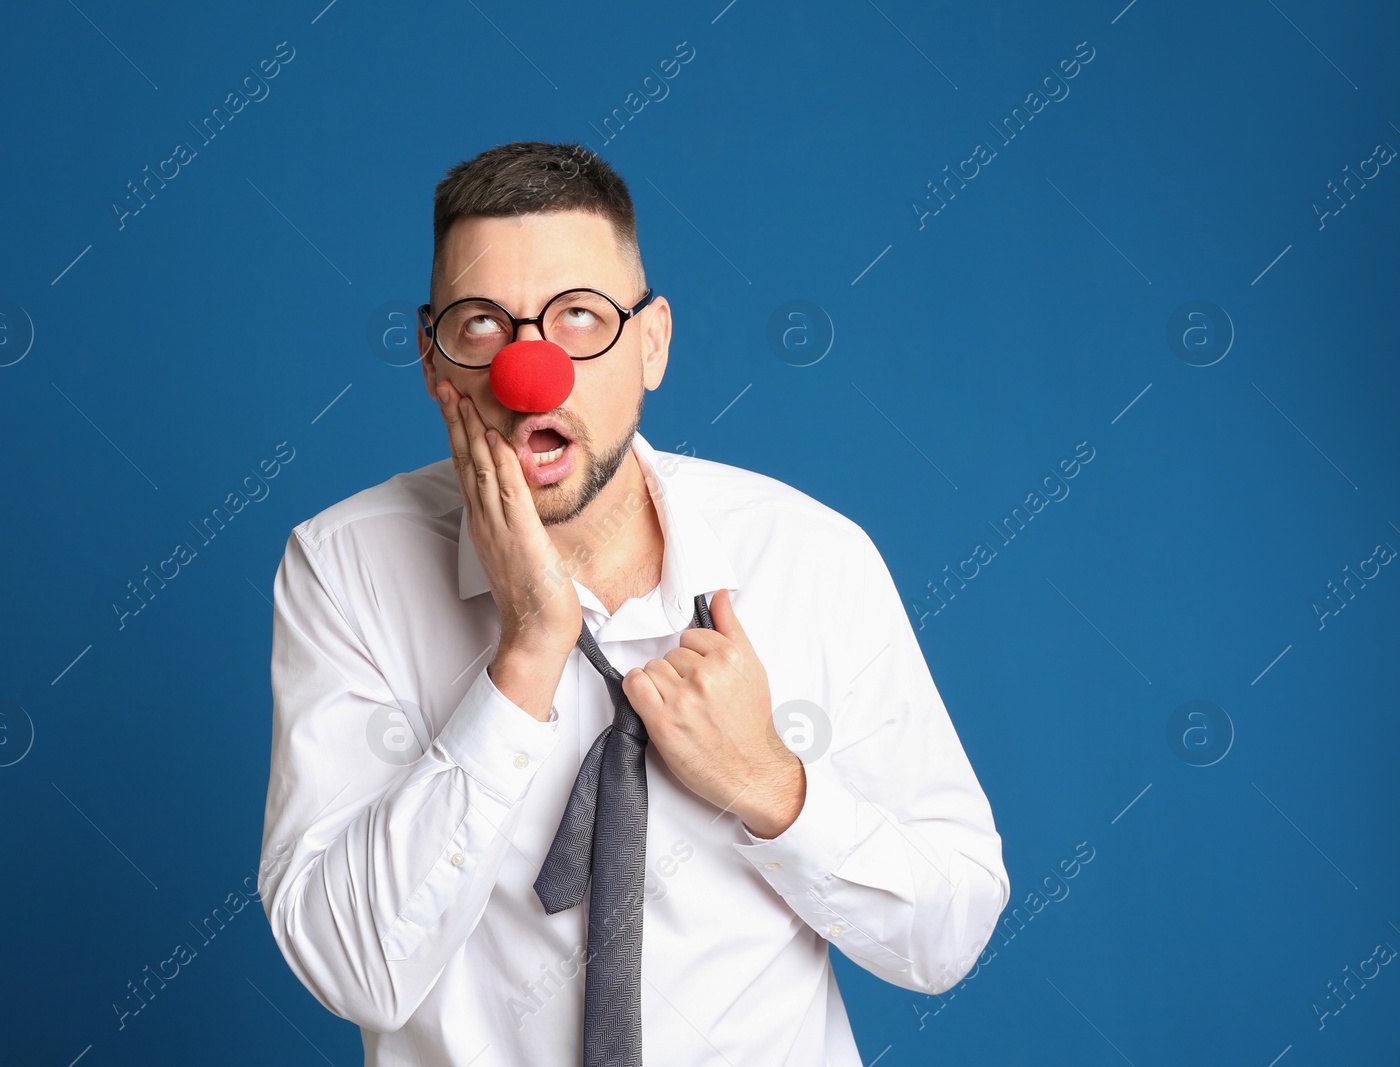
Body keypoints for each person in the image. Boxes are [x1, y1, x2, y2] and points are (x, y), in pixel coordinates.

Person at [257, 140, 1010, 1066]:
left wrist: (772, 785)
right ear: (431, 359)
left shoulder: (813, 557)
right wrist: (525, 657)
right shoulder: (345, 568)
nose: (529, 372)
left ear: (651, 343)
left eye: (579, 316)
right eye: (483, 324)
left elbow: (949, 934)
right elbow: (351, 968)